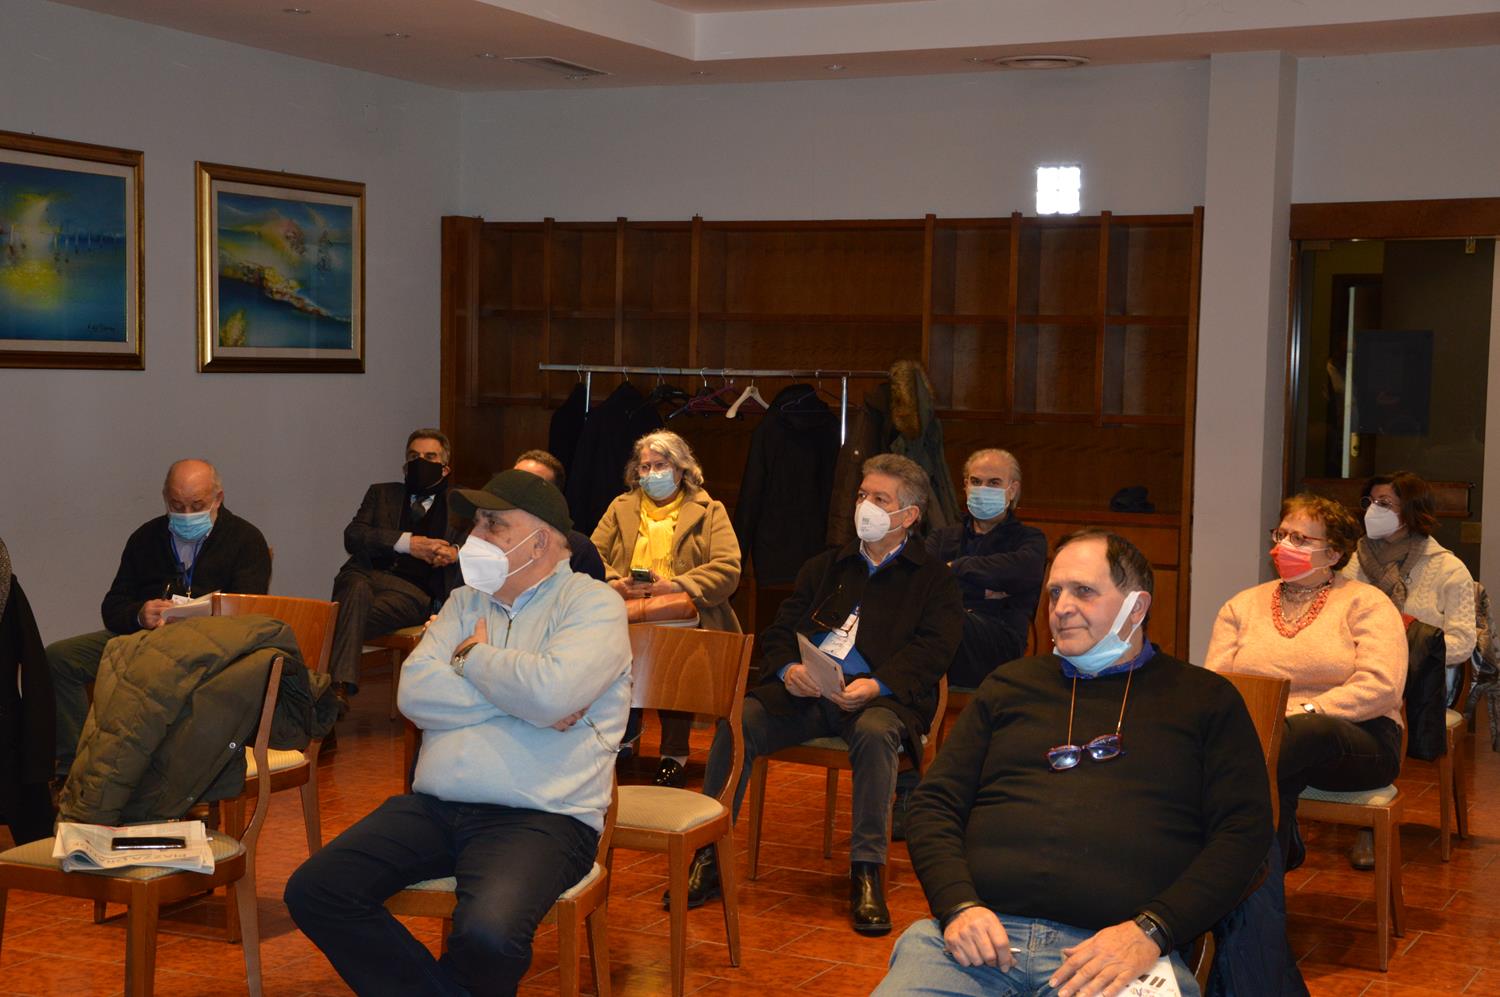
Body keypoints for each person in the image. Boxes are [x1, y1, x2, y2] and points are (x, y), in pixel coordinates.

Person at [873, 530, 1270, 997]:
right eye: (1055, 592)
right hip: (979, 940)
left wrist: (1153, 929)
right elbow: (933, 805)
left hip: (1118, 952)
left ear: (1136, 607)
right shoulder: (1007, 686)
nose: (1061, 607)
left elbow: (1243, 835)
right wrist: (957, 905)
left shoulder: (1205, 701)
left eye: (1083, 591)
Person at [284, 470, 632, 997]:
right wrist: (522, 699)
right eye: (477, 524)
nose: (475, 537)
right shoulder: (464, 602)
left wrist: (471, 658)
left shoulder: (593, 604)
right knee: (317, 889)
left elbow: (552, 694)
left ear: (541, 542)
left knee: (489, 936)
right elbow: (415, 694)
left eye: (494, 525)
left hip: (543, 817)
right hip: (436, 806)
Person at [683, 453, 962, 935]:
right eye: (862, 495)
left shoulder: (934, 579)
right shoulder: (826, 565)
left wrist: (877, 684)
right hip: (808, 694)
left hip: (878, 700)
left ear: (909, 516)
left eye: (880, 499)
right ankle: (707, 856)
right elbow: (779, 630)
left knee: (875, 734)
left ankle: (866, 872)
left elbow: (935, 648)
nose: (865, 506)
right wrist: (789, 668)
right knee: (741, 719)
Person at [1205, 493, 1407, 872]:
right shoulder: (1241, 606)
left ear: (1333, 553)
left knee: (1302, 734)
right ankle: (1265, 879)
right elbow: (1219, 686)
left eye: (1299, 538)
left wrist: (1305, 711)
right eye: (1281, 535)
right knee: (1272, 772)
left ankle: (1229, 865)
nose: (1284, 545)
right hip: (1264, 741)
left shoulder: (1367, 603)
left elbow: (1382, 687)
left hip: (1359, 738)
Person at [45, 458, 270, 780]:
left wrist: (198, 620)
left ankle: (149, 772)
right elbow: (113, 606)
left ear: (218, 498)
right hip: (142, 639)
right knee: (60, 658)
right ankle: (77, 770)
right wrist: (139, 614)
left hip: (207, 649)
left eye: (197, 505)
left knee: (160, 674)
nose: (187, 514)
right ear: (166, 498)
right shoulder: (145, 538)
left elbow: (248, 616)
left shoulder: (246, 540)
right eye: (177, 505)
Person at [590, 429, 742, 787]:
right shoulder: (620, 507)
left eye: (660, 465)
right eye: (644, 467)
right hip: (628, 610)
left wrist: (676, 585)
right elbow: (591, 557)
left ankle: (673, 756)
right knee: (605, 656)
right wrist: (617, 583)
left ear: (681, 468)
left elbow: (727, 568)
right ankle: (619, 743)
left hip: (685, 613)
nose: (651, 474)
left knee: (676, 657)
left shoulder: (710, 510)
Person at [327, 429, 462, 716]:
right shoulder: (382, 493)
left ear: (445, 468)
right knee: (356, 590)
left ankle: (331, 694)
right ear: (404, 465)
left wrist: (455, 552)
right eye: (414, 457)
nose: (420, 462)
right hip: (362, 576)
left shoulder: (459, 504)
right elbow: (353, 536)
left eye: (430, 457)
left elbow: (483, 546)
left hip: (410, 593)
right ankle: (336, 690)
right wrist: (406, 543)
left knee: (336, 619)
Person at [1343, 471, 1475, 702]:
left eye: (1384, 503)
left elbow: (1463, 643)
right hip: (1354, 679)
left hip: (1421, 688)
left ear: (1410, 510)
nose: (1373, 510)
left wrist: (1402, 651)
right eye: (1370, 502)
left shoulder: (1447, 568)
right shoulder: (1353, 562)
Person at [925, 448, 1047, 687]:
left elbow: (1024, 571)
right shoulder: (942, 538)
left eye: (993, 483)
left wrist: (955, 567)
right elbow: (923, 582)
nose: (983, 489)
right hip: (942, 637)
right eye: (976, 481)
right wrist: (982, 590)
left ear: (1012, 490)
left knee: (944, 618)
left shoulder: (1029, 539)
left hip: (999, 642)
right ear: (965, 486)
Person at [512, 449, 607, 582]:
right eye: (514, 480)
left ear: (553, 498)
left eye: (532, 486)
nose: (518, 490)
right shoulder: (488, 534)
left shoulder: (579, 550)